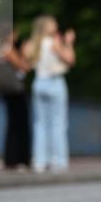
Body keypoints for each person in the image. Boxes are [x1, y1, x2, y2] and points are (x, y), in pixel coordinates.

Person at [24, 15, 76, 173]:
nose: (56, 25)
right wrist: (68, 43)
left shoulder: (32, 44)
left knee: (40, 124)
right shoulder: (54, 42)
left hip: (39, 82)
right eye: (54, 23)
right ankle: (58, 161)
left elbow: (27, 63)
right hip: (54, 82)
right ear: (47, 27)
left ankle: (40, 161)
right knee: (58, 123)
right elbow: (70, 60)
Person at [0, 27, 32, 170]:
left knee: (13, 124)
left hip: (8, 92)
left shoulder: (1, 49)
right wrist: (25, 53)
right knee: (19, 125)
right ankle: (17, 158)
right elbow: (23, 67)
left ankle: (12, 158)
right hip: (14, 92)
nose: (16, 36)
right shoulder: (8, 49)